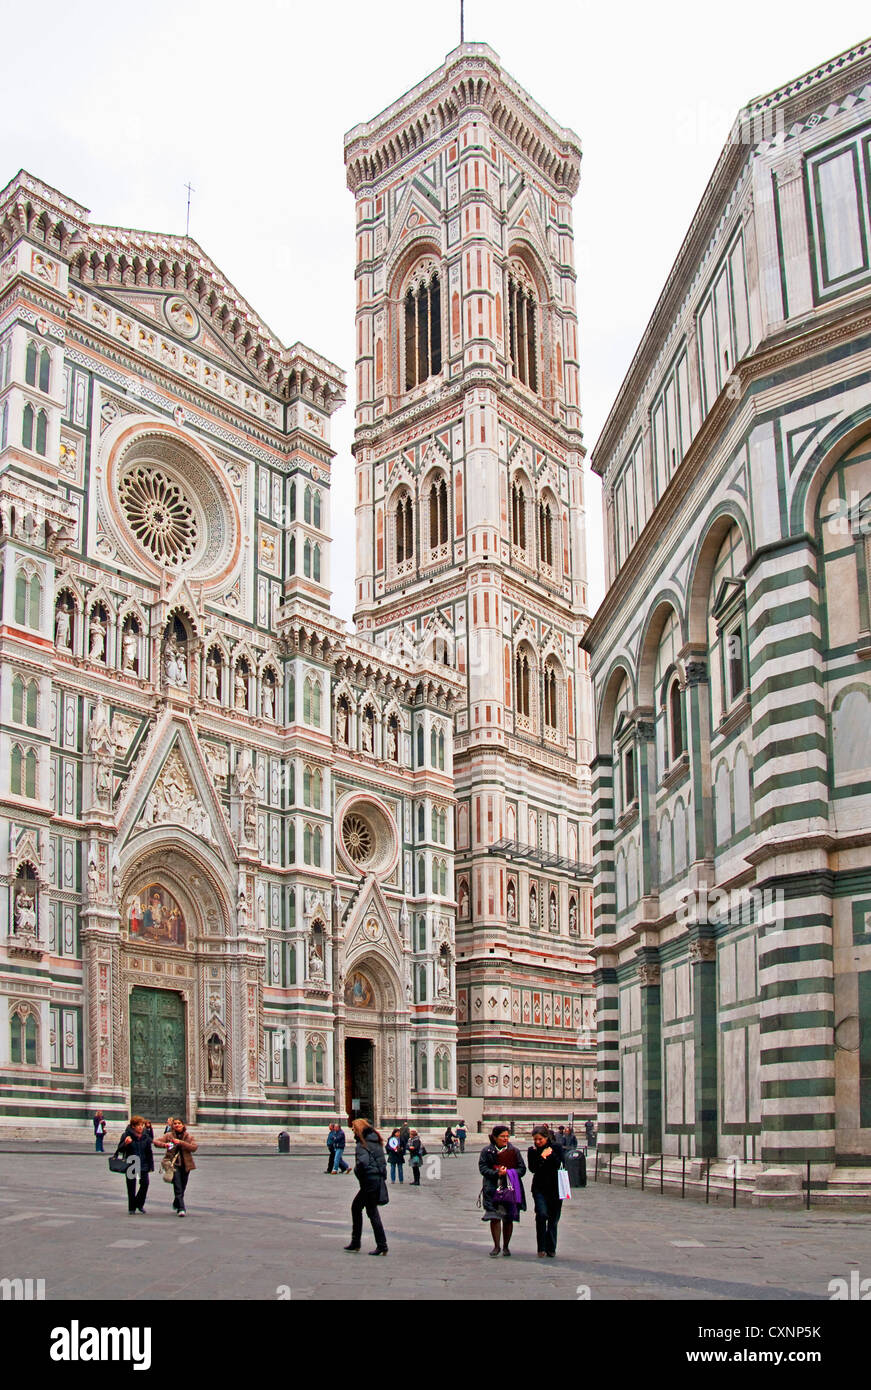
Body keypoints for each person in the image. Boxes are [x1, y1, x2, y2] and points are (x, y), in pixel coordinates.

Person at [479, 1124, 526, 1257]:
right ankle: (496, 1246)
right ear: (495, 1137)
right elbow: (482, 1168)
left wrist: (509, 1172)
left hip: (510, 1189)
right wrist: (496, 1173)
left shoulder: (514, 1151)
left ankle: (506, 1246)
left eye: (507, 1136)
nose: (505, 1139)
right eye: (502, 1136)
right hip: (492, 1189)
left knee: (508, 1218)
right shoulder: (487, 1151)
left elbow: (522, 1169)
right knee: (494, 1217)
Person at [345, 1117, 388, 1256]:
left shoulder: (362, 1144)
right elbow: (382, 1162)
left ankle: (361, 1243)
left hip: (369, 1182)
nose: (353, 1132)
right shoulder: (377, 1141)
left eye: (353, 1129)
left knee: (361, 1208)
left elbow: (362, 1163)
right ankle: (376, 1244)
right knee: (368, 1210)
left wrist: (359, 1172)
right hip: (376, 1180)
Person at [527, 1124, 565, 1258]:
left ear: (546, 1138)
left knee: (553, 1219)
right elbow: (533, 1168)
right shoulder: (532, 1151)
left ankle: (551, 1248)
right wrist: (542, 1156)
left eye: (540, 1140)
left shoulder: (556, 1148)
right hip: (539, 1188)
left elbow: (561, 1164)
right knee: (542, 1215)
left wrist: (551, 1154)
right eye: (535, 1139)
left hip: (556, 1188)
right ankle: (541, 1247)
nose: (537, 1142)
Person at [154, 1116, 198, 1217]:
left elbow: (194, 1147)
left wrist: (181, 1143)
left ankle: (176, 1202)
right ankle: (181, 1209)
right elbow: (156, 1142)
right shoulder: (169, 1136)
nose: (177, 1125)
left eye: (179, 1123)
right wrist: (165, 1145)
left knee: (183, 1186)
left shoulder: (188, 1136)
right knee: (177, 1185)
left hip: (186, 1165)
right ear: (172, 1125)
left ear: (183, 1125)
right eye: (175, 1123)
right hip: (173, 1165)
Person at [116, 1115, 154, 1215]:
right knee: (131, 1186)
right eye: (138, 1125)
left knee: (145, 1184)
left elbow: (149, 1151)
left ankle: (139, 1203)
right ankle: (132, 1207)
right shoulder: (126, 1135)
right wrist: (125, 1143)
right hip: (132, 1163)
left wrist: (151, 1165)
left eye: (142, 1125)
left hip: (143, 1163)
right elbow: (120, 1149)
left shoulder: (145, 1136)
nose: (141, 1127)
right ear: (133, 1126)